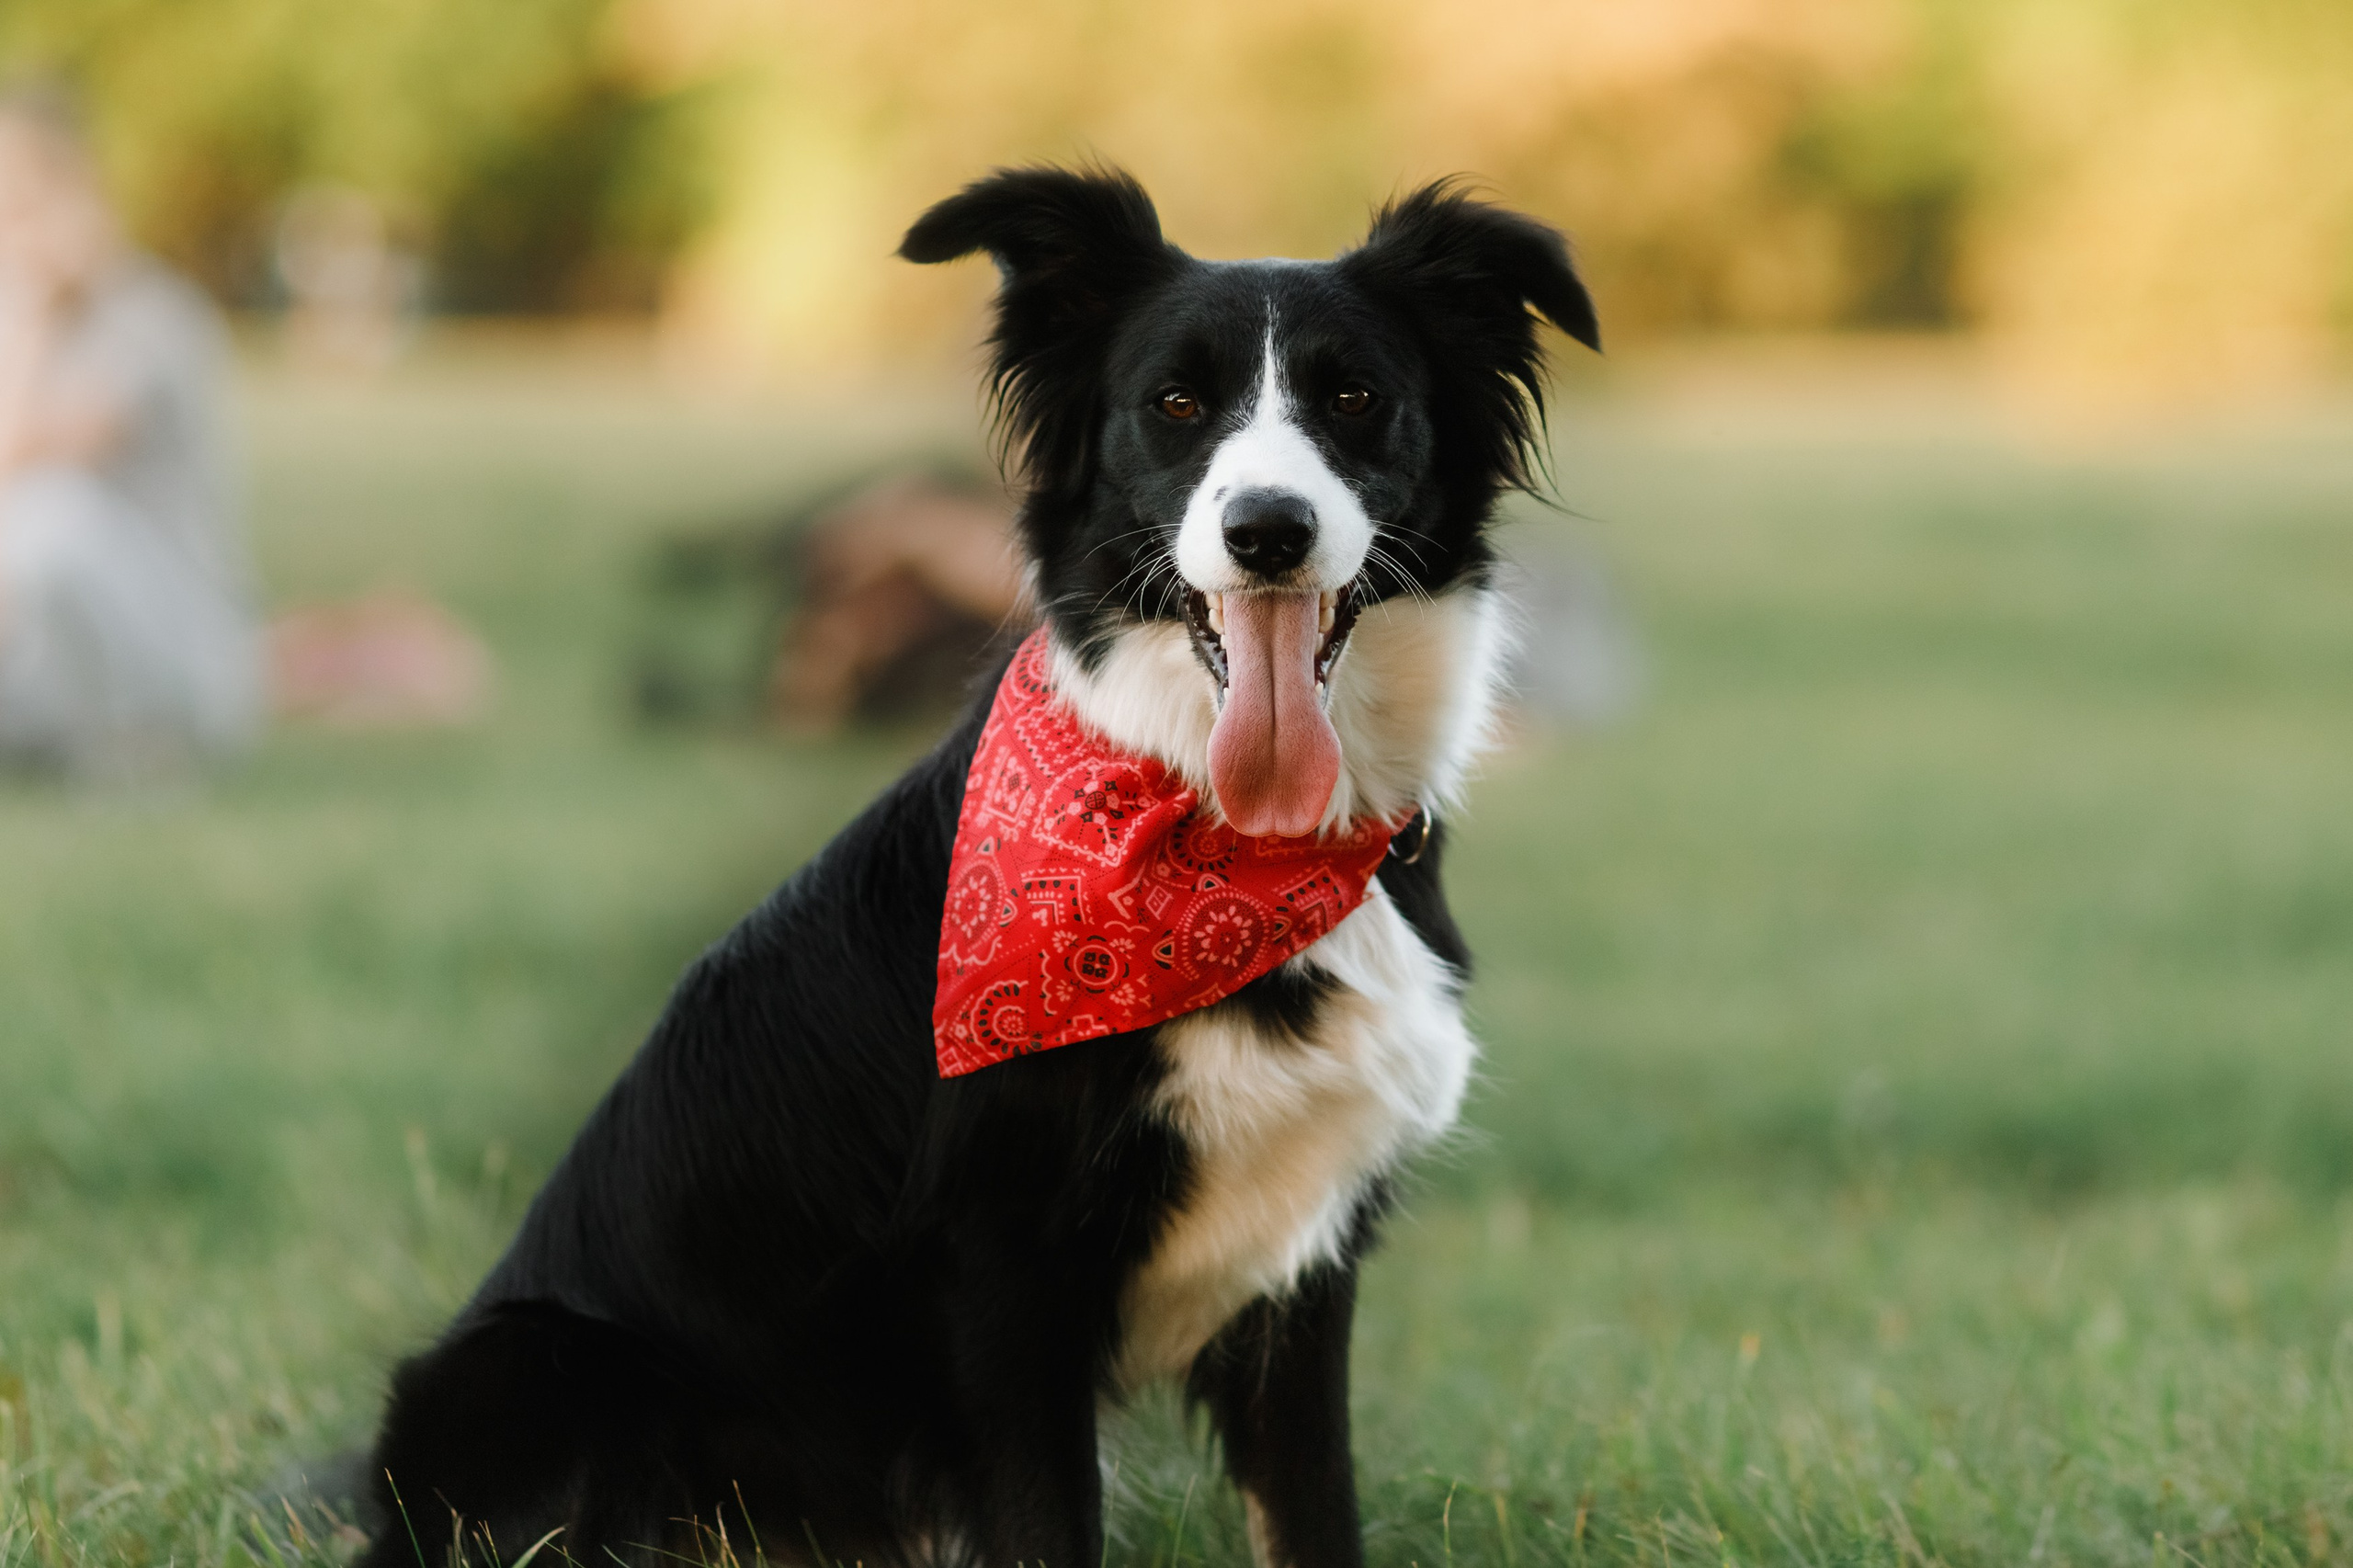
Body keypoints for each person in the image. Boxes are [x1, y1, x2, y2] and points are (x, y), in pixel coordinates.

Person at [0, 85, 262, 778]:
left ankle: (141, 754)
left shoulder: (150, 315)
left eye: (23, 204)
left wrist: (38, 312)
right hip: (47, 660)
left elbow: (29, 452)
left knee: (44, 519)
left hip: (183, 665)